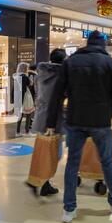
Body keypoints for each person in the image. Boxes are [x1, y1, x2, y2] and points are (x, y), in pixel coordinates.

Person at [46, 30, 112, 223]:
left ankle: (69, 210)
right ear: (102, 45)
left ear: (87, 43)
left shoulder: (70, 62)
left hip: (75, 119)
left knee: (72, 163)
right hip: (100, 121)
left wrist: (51, 122)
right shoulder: (110, 63)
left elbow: (57, 94)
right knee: (107, 161)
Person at [31, 49, 67, 196]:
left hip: (41, 116)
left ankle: (39, 180)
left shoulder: (42, 73)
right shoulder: (61, 76)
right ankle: (42, 182)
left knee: (44, 150)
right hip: (54, 118)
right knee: (55, 153)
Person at [13, 62, 35, 137]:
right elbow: (30, 84)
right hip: (26, 97)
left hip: (18, 97)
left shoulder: (16, 76)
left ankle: (18, 132)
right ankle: (27, 131)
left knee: (20, 115)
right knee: (28, 114)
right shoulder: (24, 77)